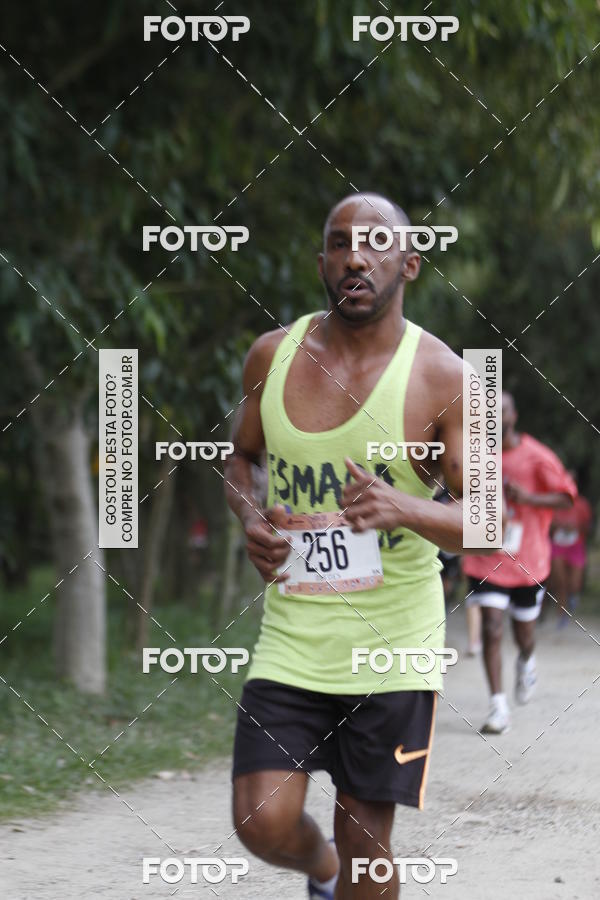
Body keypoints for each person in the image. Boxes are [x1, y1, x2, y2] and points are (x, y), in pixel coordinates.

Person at [223, 192, 471, 900]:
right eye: (338, 244)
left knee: (368, 843)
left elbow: (489, 520)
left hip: (394, 644)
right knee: (260, 822)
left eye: (374, 244)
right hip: (294, 638)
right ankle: (322, 871)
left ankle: (348, 870)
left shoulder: (446, 377)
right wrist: (250, 519)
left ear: (411, 264)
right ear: (321, 261)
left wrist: (404, 507)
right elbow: (240, 460)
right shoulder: (271, 356)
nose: (355, 257)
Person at [462, 393, 576, 734]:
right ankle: (498, 706)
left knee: (523, 635)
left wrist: (527, 498)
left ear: (513, 415)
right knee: (491, 628)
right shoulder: (475, 455)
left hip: (528, 561)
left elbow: (566, 495)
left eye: (501, 412)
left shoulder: (537, 456)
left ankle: (527, 660)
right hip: (487, 558)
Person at [548, 471, 592, 628]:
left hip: (576, 545)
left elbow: (587, 527)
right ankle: (562, 615)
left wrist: (576, 529)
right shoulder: (554, 503)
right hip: (558, 545)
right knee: (561, 582)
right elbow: (548, 524)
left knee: (574, 584)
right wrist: (561, 526)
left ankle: (572, 598)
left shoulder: (582, 505)